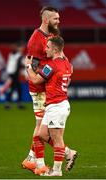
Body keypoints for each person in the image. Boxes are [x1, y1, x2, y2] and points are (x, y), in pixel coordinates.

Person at [22, 6, 77, 172]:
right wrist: (48, 73)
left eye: (59, 19)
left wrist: (66, 65)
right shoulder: (35, 39)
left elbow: (61, 54)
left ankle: (33, 159)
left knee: (43, 129)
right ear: (46, 20)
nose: (58, 21)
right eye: (56, 19)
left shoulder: (54, 35)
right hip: (39, 87)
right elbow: (34, 65)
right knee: (40, 127)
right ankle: (39, 163)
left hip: (49, 86)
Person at [0, 42, 27, 109]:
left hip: (13, 74)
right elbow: (21, 65)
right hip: (14, 74)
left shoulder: (14, 54)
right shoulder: (17, 55)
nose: (22, 49)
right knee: (15, 88)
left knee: (16, 88)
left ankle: (12, 103)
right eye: (21, 47)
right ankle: (12, 103)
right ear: (19, 48)